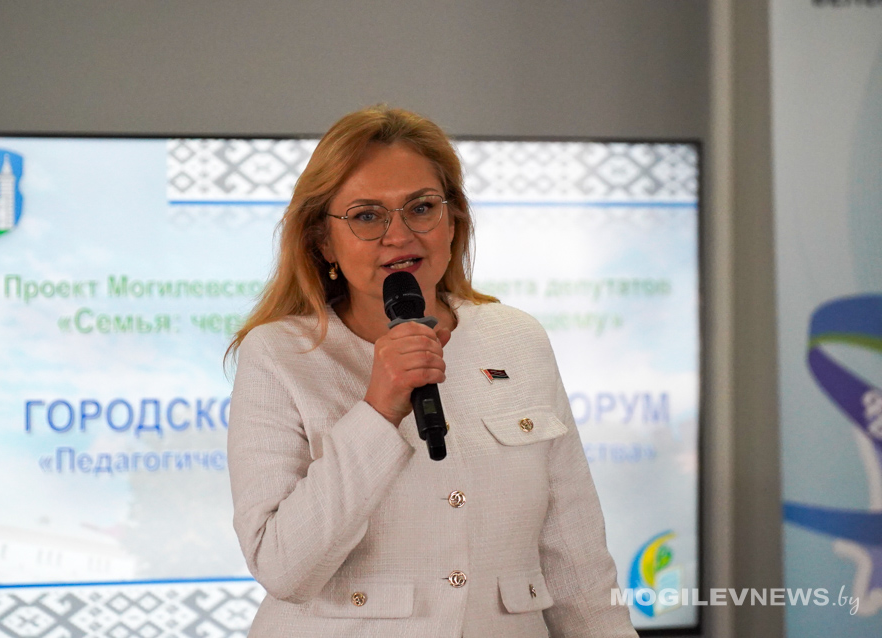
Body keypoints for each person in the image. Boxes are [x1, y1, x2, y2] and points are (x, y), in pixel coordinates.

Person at [226, 105, 637, 637]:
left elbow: (577, 563)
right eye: (367, 216)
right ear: (323, 240)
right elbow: (283, 567)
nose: (399, 236)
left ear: (453, 220)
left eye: (421, 208)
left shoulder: (517, 338)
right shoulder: (280, 354)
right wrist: (378, 410)